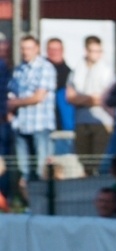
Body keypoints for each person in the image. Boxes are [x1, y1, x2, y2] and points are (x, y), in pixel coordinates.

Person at [7, 35, 55, 182]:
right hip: (21, 125)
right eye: (23, 48)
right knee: (25, 172)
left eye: (29, 48)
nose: (25, 52)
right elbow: (11, 93)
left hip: (40, 125)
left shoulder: (45, 68)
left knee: (42, 171)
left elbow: (38, 97)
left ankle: (44, 204)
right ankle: (29, 204)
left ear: (37, 49)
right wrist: (10, 112)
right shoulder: (19, 69)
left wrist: (15, 103)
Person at [67, 36, 114, 160]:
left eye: (99, 51)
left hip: (101, 121)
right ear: (86, 51)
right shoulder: (77, 69)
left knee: (100, 159)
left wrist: (80, 99)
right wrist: (90, 99)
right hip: (81, 121)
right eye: (93, 51)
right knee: (83, 160)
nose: (97, 55)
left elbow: (104, 98)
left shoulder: (107, 70)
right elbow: (70, 97)